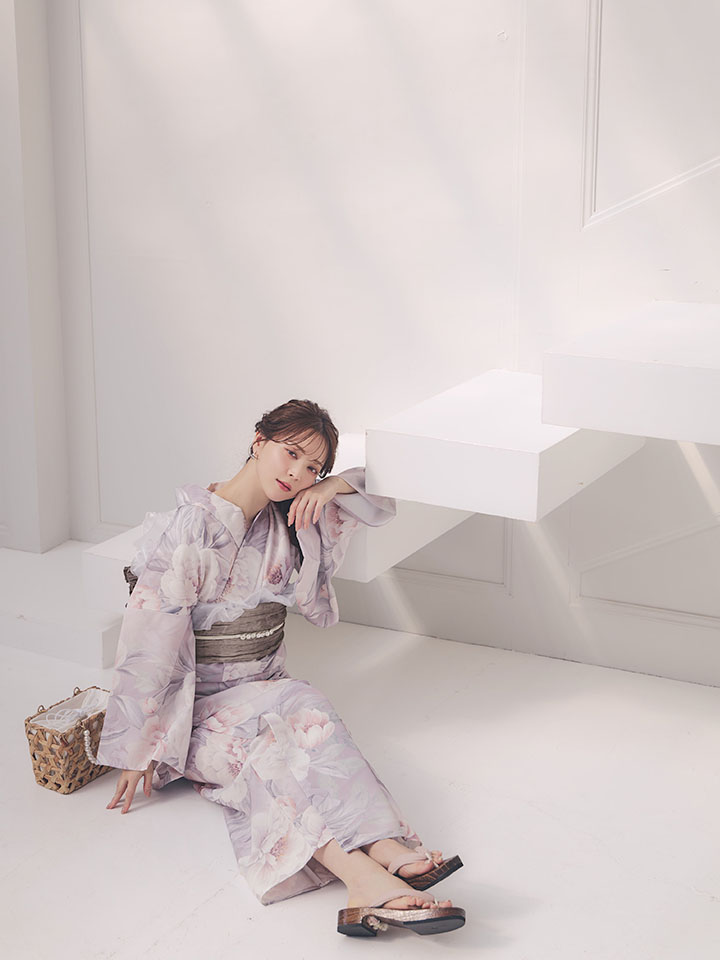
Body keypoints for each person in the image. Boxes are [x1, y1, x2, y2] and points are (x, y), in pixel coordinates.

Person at [96, 398, 466, 937]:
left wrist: (332, 487)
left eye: (312, 467)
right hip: (195, 715)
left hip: (266, 691)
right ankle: (378, 856)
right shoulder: (190, 527)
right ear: (258, 440)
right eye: (290, 453)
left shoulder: (293, 517)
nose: (296, 473)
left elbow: (381, 499)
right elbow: (148, 639)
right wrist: (137, 749)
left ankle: (372, 870)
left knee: (295, 725)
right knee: (289, 729)